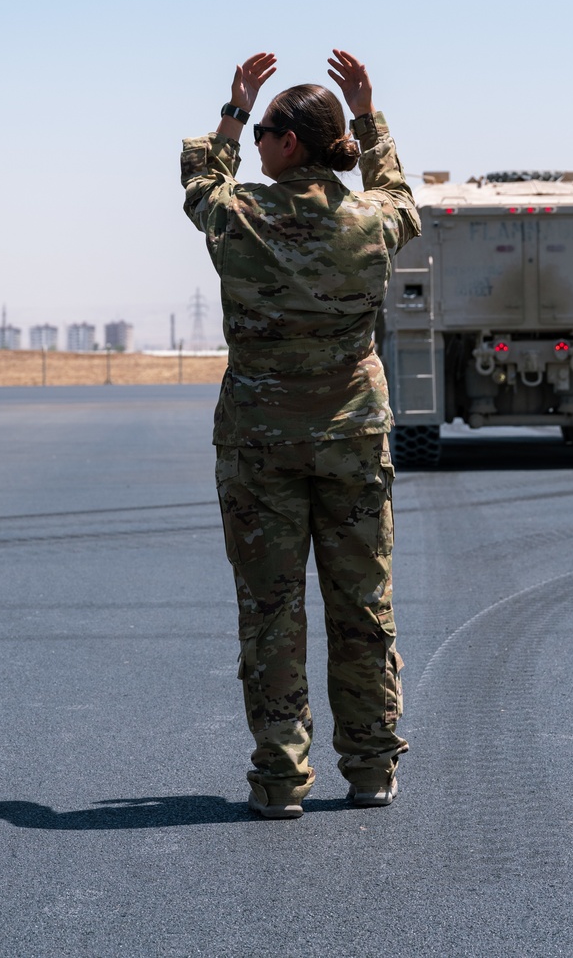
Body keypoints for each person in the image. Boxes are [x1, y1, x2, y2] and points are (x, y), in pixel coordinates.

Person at [180, 49, 420, 819]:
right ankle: (373, 767)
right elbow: (401, 196)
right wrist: (368, 116)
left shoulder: (242, 215)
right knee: (363, 605)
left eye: (263, 133)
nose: (254, 145)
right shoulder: (370, 221)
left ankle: (282, 778)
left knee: (271, 611)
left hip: (261, 447)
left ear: (288, 143)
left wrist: (232, 108)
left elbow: (198, 185)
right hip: (352, 439)